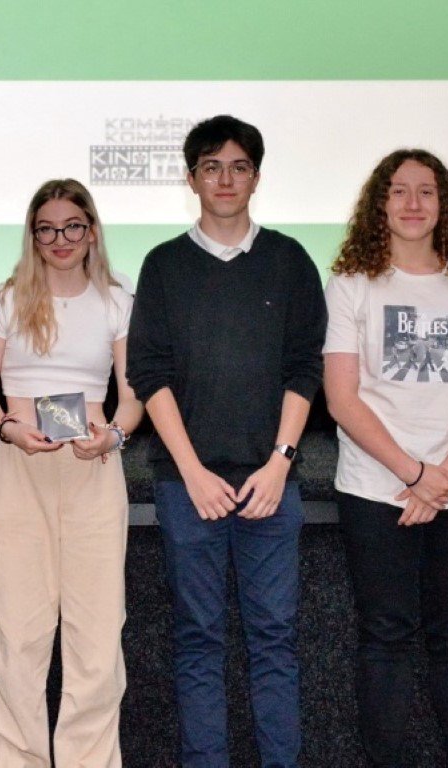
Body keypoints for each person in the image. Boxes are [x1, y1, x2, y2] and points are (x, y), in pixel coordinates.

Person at [126, 115, 326, 768]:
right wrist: (191, 473)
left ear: (256, 178)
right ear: (191, 179)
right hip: (188, 486)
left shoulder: (289, 261)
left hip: (271, 484)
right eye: (210, 167)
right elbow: (148, 373)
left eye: (238, 167)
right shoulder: (163, 265)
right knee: (197, 641)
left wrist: (279, 463)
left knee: (274, 640)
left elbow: (304, 368)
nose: (225, 179)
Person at [324, 149, 448, 768]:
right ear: (379, 204)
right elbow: (341, 398)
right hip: (376, 490)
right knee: (385, 638)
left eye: (426, 191)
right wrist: (415, 475)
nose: (413, 203)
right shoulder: (351, 285)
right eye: (399, 191)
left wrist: (443, 478)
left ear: (444, 205)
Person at [0, 178, 143, 767]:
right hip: (19, 468)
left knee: (97, 641)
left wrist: (113, 436)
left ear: (91, 231)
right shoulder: (4, 300)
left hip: (93, 469)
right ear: (33, 235)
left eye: (72, 226)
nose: (60, 239)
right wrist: (9, 428)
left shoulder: (118, 299)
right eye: (47, 229)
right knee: (15, 639)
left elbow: (133, 397)